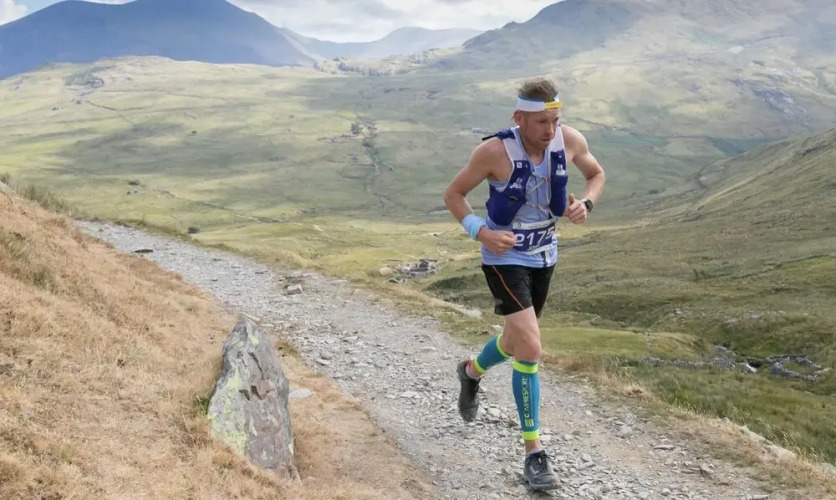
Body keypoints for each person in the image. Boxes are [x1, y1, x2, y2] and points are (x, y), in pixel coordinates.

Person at [442, 77, 605, 491]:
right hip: (503, 258)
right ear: (519, 118)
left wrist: (586, 203)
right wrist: (481, 231)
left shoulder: (569, 140)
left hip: (545, 254)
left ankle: (470, 371)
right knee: (531, 346)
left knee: (516, 340)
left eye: (555, 120)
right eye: (541, 123)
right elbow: (454, 195)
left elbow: (596, 174)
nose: (550, 131)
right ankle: (534, 454)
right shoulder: (493, 152)